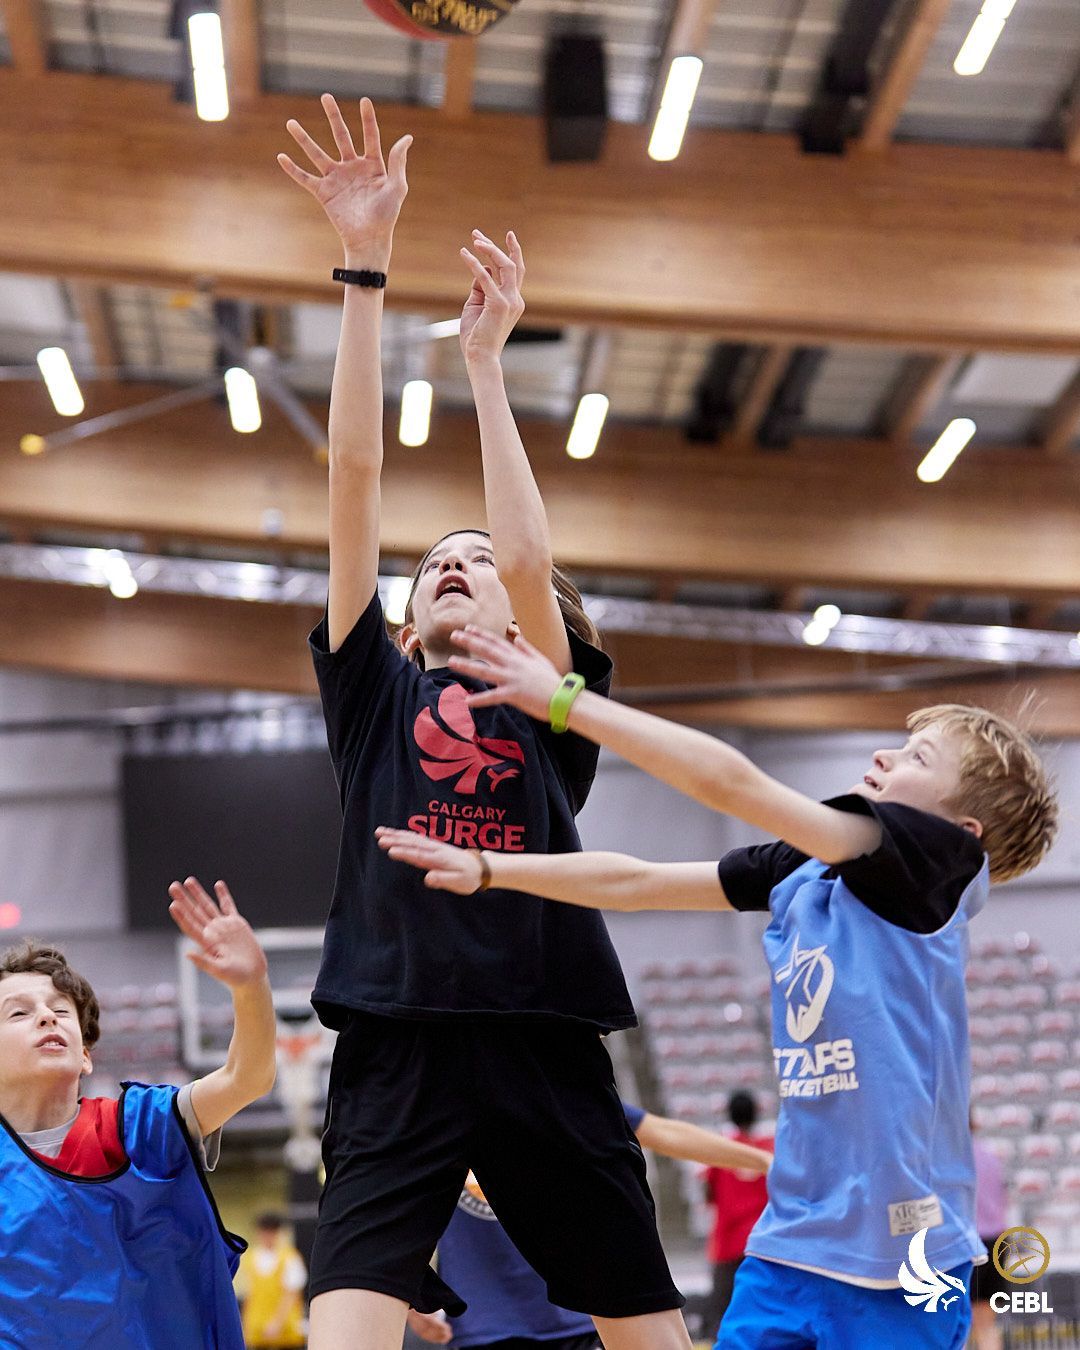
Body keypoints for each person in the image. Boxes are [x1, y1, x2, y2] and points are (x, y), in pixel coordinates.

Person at [277, 96, 690, 1350]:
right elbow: (355, 480)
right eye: (433, 566)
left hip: (544, 1038)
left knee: (647, 1334)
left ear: (524, 614)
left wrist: (484, 364)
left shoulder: (551, 703)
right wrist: (365, 268)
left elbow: (525, 552)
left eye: (473, 561)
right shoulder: (376, 691)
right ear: (406, 622)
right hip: (394, 1043)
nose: (455, 564)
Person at [376, 624, 1058, 1350]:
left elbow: (733, 785)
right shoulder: (808, 869)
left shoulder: (936, 864)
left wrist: (567, 702)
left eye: (919, 756)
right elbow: (636, 882)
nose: (884, 755)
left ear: (963, 830)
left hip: (906, 1265)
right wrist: (490, 869)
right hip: (791, 1249)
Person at [0, 877, 277, 1349]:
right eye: (18, 1013)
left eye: (60, 1011)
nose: (46, 1016)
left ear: (85, 1056)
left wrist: (250, 987)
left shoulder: (140, 1127)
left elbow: (246, 1077)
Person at [406, 1103, 772, 1350]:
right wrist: (411, 1299)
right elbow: (394, 1205)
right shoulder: (429, 1101)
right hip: (483, 1327)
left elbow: (661, 1131)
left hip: (581, 1313)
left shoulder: (550, 1087)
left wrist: (765, 1161)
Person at [701, 1092, 773, 1340]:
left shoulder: (721, 1150)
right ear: (756, 1113)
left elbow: (708, 1193)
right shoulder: (770, 1149)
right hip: (763, 1243)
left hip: (728, 1243)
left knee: (722, 1315)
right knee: (764, 1312)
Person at [238, 1212, 308, 1349]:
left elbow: (291, 1294)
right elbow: (248, 1294)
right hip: (257, 1332)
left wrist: (277, 1322)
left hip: (286, 1333)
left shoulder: (290, 1257)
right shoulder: (249, 1258)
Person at [969, 1115, 1008, 1350]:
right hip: (998, 1240)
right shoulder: (991, 1156)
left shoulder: (950, 1158)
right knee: (987, 1324)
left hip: (969, 1244)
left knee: (955, 1320)